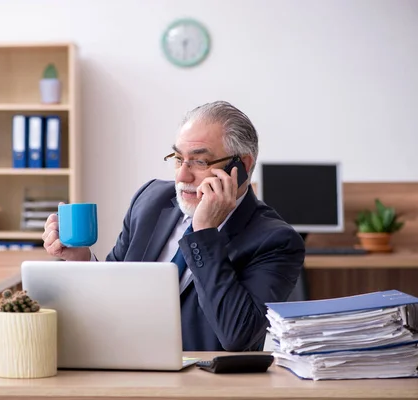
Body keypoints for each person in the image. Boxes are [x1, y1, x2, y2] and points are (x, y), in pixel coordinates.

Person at [42, 100, 305, 351]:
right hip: (125, 368)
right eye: (179, 158)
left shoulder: (276, 240)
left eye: (200, 161)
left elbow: (237, 336)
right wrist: (81, 260)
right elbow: (115, 290)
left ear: (242, 166)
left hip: (205, 386)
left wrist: (204, 233)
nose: (182, 175)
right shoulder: (151, 200)